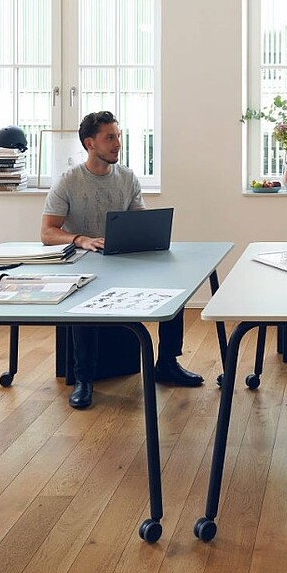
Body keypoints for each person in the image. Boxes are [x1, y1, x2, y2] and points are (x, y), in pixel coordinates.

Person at [41, 110, 202, 409]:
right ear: (90, 143)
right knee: (83, 303)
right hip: (84, 264)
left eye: (118, 136)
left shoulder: (127, 177)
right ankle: (84, 378)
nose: (118, 144)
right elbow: (48, 233)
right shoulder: (68, 182)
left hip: (123, 260)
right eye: (110, 138)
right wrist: (80, 239)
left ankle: (166, 362)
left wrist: (150, 235)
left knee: (177, 283)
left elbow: (138, 221)